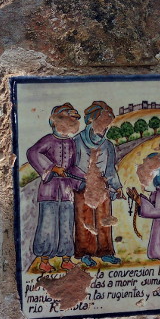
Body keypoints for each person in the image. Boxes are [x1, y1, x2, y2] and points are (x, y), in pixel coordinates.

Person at [26, 103, 85, 273]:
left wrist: (82, 179)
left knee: (66, 224)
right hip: (49, 191)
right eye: (69, 120)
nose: (72, 124)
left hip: (66, 192)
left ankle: (66, 259)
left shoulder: (71, 143)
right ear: (58, 121)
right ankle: (45, 260)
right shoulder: (48, 140)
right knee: (48, 224)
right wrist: (51, 168)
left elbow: (72, 167)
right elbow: (32, 152)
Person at [73, 101, 124, 267]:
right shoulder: (77, 141)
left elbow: (110, 169)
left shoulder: (108, 145)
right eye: (106, 115)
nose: (110, 119)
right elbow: (71, 165)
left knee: (104, 220)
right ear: (93, 119)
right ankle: (85, 253)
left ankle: (106, 252)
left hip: (102, 189)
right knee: (85, 221)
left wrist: (117, 187)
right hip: (83, 187)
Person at [127, 153, 160, 261]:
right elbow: (154, 205)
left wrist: (140, 201)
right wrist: (139, 200)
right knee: (157, 248)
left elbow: (159, 211)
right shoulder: (158, 188)